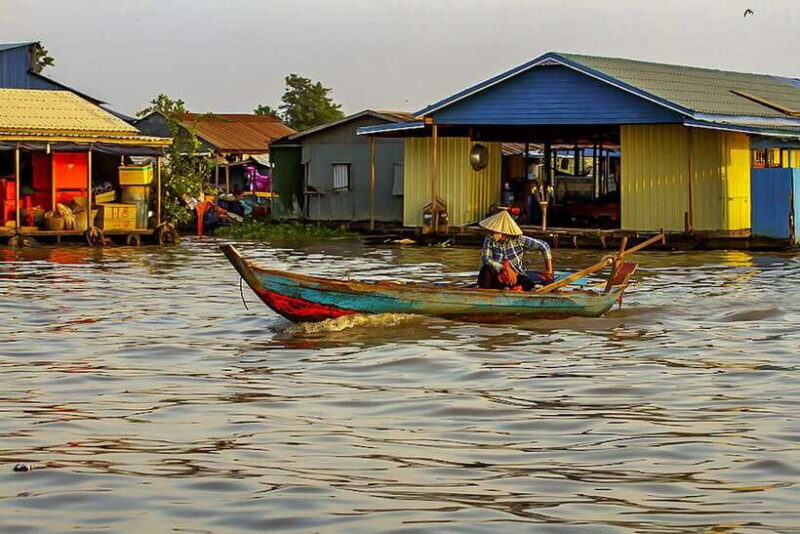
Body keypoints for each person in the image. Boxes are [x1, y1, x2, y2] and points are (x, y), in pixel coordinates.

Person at [477, 209, 554, 290]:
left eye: (494, 232)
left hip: (515, 276)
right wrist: (504, 268)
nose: (491, 235)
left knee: (528, 282)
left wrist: (549, 269)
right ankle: (485, 292)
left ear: (503, 231)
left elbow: (544, 246)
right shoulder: (489, 240)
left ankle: (513, 289)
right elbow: (486, 259)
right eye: (490, 232)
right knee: (486, 269)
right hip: (498, 276)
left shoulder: (518, 239)